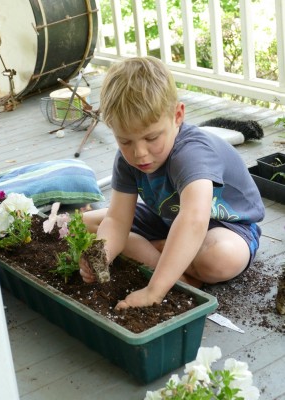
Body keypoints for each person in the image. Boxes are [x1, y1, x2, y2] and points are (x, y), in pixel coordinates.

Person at [79, 56, 265, 310]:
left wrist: (153, 292)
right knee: (86, 223)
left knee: (220, 259)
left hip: (224, 226)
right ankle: (178, 269)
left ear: (177, 115)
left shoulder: (191, 154)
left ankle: (163, 260)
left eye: (151, 137)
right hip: (166, 217)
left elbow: (194, 219)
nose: (139, 153)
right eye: (125, 141)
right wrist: (101, 257)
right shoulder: (127, 160)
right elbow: (117, 220)